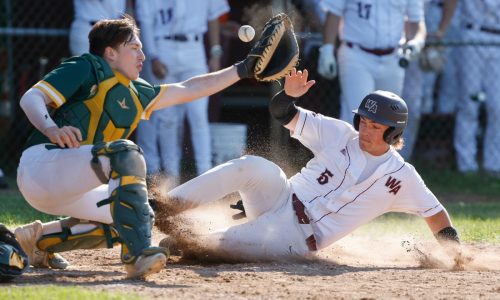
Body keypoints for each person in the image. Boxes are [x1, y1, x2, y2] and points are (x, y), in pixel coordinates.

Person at [13, 15, 261, 279]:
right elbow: (32, 97)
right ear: (110, 52)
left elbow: (190, 87)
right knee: (126, 152)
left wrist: (243, 69)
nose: (142, 54)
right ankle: (139, 255)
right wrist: (52, 128)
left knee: (136, 216)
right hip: (42, 168)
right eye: (134, 47)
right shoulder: (88, 66)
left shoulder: (136, 91)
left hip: (74, 182)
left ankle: (37, 241)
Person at [154, 68, 461, 262]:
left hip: (297, 237)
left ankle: (184, 243)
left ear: (393, 133)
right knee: (252, 166)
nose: (365, 130)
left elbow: (435, 213)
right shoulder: (340, 134)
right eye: (363, 122)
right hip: (282, 195)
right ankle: (165, 207)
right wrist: (288, 95)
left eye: (375, 126)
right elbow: (282, 112)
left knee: (203, 246)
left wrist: (455, 253)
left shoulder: (402, 176)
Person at [135, 0, 229, 186]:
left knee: (198, 115)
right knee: (167, 117)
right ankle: (172, 176)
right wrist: (153, 56)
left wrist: (215, 53)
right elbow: (145, 22)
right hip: (163, 47)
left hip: (194, 47)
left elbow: (213, 16)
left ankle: (206, 175)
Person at [317, 0, 427, 123]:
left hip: (393, 58)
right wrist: (327, 49)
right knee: (358, 116)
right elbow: (333, 13)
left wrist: (417, 41)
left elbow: (417, 21)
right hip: (356, 56)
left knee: (389, 119)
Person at [400, 0, 458, 160]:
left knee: (412, 104)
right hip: (381, 46)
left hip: (413, 46)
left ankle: (401, 159)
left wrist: (439, 31)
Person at [454, 0, 500, 175]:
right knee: (469, 104)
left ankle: (494, 165)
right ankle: (466, 165)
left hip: (498, 39)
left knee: (497, 106)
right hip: (473, 33)